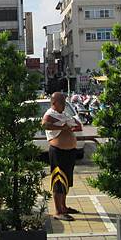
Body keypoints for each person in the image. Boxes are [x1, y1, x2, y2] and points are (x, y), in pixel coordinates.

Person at [42, 92, 83, 221]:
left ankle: (64, 207)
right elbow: (44, 125)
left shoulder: (64, 114)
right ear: (54, 103)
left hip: (69, 152)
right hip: (58, 151)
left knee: (66, 181)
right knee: (58, 181)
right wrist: (61, 127)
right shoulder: (50, 114)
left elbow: (76, 123)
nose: (65, 105)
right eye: (62, 103)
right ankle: (58, 210)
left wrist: (70, 125)